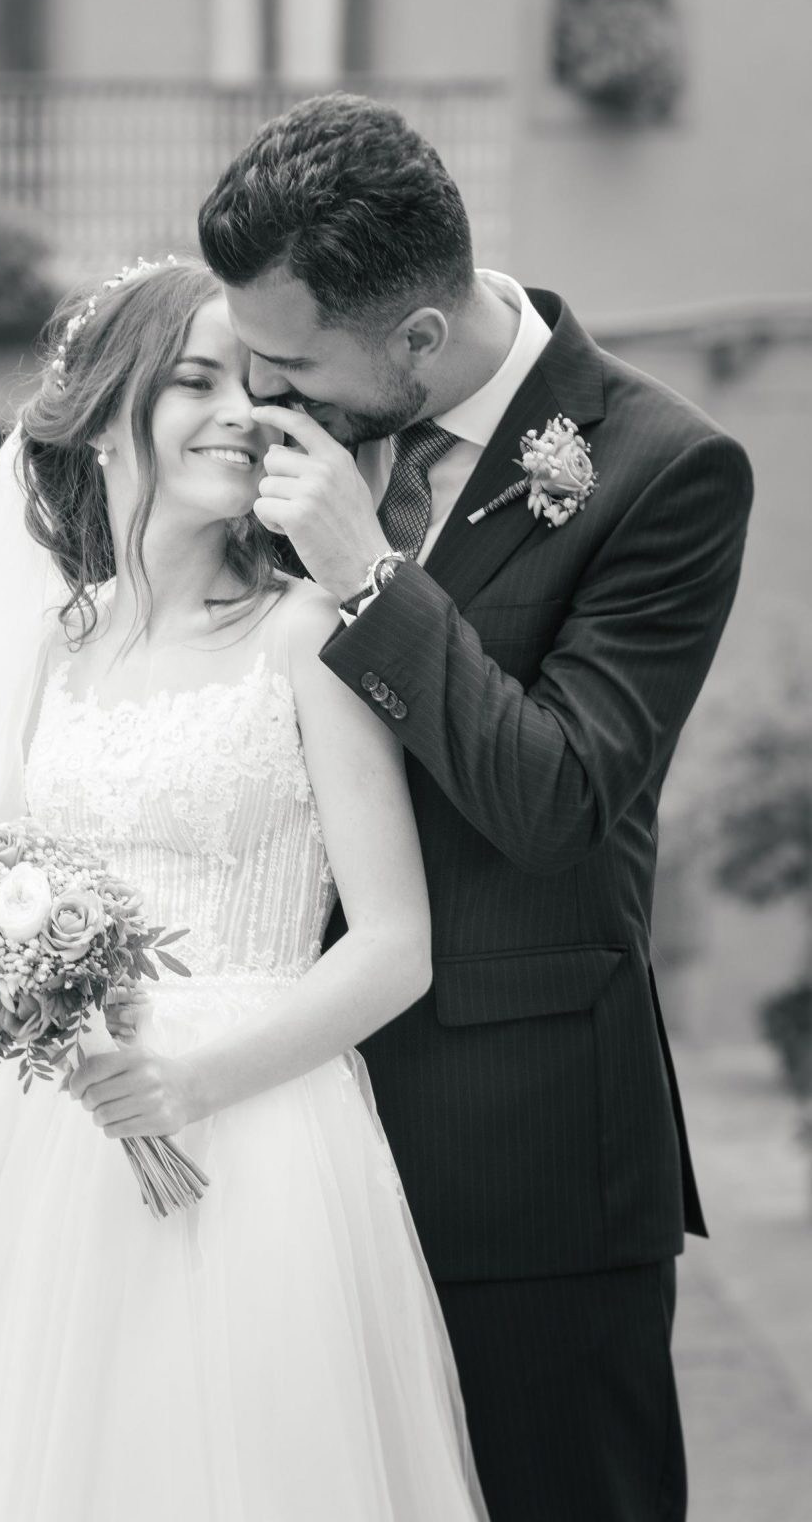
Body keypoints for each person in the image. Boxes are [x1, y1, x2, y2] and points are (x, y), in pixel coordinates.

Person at [0, 257, 486, 1520]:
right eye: (193, 380)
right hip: (50, 1142)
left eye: (253, 386)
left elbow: (395, 945)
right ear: (104, 416)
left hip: (258, 1139)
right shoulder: (52, 647)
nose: (235, 413)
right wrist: (19, 994)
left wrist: (193, 1080)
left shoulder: (308, 635)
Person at [197, 90, 754, 1522]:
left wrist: (369, 581)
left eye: (289, 361)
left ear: (417, 342)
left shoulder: (662, 471)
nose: (260, 397)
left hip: (523, 1161)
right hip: (286, 1143)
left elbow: (560, 795)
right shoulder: (300, 427)